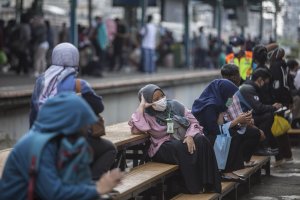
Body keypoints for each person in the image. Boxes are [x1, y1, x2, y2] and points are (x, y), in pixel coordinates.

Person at [0, 93, 123, 199]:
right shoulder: (40, 146)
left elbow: (68, 183)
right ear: (70, 123)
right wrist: (97, 189)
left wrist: (95, 187)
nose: (87, 130)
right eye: (83, 124)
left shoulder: (54, 141)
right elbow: (53, 194)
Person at [29, 42, 116, 180]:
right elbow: (99, 107)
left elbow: (33, 113)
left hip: (38, 139)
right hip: (66, 141)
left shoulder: (41, 80)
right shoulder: (78, 84)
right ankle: (92, 183)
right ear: (75, 60)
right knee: (109, 149)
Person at [129, 84, 221, 194]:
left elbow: (194, 122)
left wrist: (190, 135)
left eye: (162, 96)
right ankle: (194, 187)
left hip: (182, 137)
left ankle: (209, 183)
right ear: (148, 101)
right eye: (156, 99)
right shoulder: (146, 114)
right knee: (181, 147)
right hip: (163, 145)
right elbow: (138, 129)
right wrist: (142, 106)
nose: (161, 100)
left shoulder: (176, 105)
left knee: (201, 140)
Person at [192, 79, 257, 178]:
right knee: (233, 136)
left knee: (240, 132)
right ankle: (225, 171)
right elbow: (214, 130)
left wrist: (242, 122)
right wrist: (236, 121)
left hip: (211, 133)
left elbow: (224, 124)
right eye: (230, 95)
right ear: (223, 93)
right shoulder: (210, 106)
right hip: (203, 137)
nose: (231, 98)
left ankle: (230, 169)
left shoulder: (219, 104)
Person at [239, 68, 292, 166]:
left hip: (248, 116)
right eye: (265, 82)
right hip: (243, 119)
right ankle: (261, 145)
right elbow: (258, 108)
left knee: (269, 116)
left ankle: (267, 147)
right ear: (260, 79)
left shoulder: (251, 87)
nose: (265, 85)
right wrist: (273, 107)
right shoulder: (248, 89)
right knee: (268, 117)